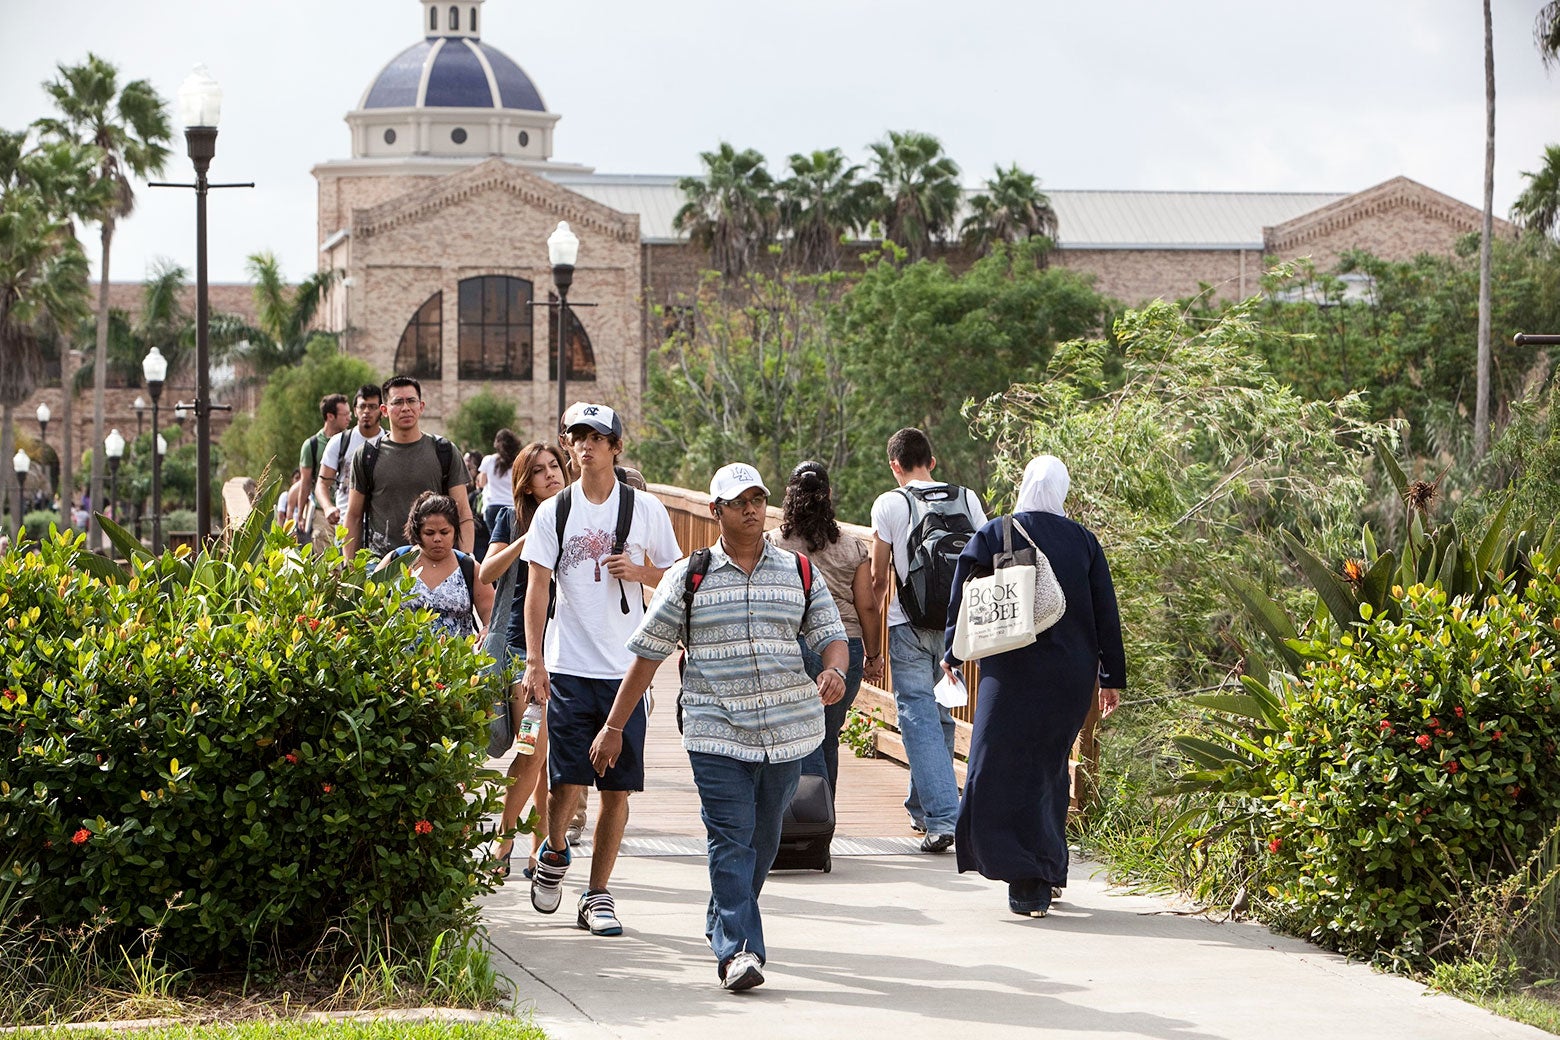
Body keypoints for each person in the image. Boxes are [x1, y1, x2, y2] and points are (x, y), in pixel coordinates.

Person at [590, 462, 848, 992]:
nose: (752, 509)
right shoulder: (689, 575)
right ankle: (739, 952)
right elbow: (647, 655)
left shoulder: (799, 570)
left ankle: (722, 919)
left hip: (787, 730)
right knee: (731, 836)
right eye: (739, 501)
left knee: (763, 837)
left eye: (758, 498)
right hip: (716, 728)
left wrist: (835, 669)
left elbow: (831, 634)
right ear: (717, 511)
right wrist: (615, 725)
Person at [519, 401, 680, 936]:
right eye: (576, 436)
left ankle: (598, 894)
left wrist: (639, 570)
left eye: (597, 436)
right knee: (565, 782)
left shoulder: (645, 510)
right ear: (568, 444)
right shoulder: (554, 513)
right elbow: (537, 588)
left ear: (615, 446)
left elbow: (676, 575)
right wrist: (535, 661)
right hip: (568, 664)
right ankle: (556, 848)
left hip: (625, 668)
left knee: (617, 789)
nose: (586, 444)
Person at [941, 455, 1125, 918]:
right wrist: (1111, 677)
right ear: (1062, 490)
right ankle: (1047, 866)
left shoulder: (995, 532)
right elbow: (1107, 613)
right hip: (1070, 676)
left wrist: (951, 654)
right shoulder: (1083, 541)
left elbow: (963, 598)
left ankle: (1028, 877)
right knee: (1048, 769)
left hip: (1009, 672)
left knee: (992, 765)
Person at [870, 428, 987, 852]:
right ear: (932, 462)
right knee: (938, 717)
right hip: (958, 627)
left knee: (917, 715)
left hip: (909, 624)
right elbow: (986, 554)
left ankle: (943, 818)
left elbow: (878, 576)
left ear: (895, 466)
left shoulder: (890, 503)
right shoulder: (967, 497)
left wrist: (873, 638)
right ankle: (922, 808)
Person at [767, 460, 883, 798]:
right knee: (827, 735)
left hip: (793, 647)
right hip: (845, 647)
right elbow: (867, 605)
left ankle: (796, 819)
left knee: (797, 733)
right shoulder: (852, 547)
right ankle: (821, 819)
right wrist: (874, 655)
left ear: (788, 496)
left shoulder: (773, 544)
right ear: (829, 495)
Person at [480, 441, 569, 879]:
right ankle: (506, 836)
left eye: (555, 466)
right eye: (539, 470)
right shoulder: (510, 517)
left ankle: (542, 847)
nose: (551, 474)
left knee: (548, 755)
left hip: (570, 653)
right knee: (533, 749)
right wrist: (526, 540)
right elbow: (486, 572)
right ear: (525, 483)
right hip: (524, 654)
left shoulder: (580, 516)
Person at [345, 375, 474, 558]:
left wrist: (467, 557)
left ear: (421, 407)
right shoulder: (366, 455)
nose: (405, 408)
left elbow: (462, 511)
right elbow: (354, 515)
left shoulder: (444, 451)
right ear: (384, 410)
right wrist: (350, 568)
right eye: (398, 402)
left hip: (434, 561)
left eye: (411, 401)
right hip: (381, 562)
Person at [377, 491, 494, 640]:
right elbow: (371, 604)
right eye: (429, 533)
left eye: (444, 532)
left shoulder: (469, 567)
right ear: (417, 532)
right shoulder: (397, 561)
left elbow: (491, 613)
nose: (437, 539)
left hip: (455, 660)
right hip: (401, 660)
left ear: (455, 531)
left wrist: (486, 631)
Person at [314, 383, 384, 542]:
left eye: (372, 407)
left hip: (380, 530)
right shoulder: (339, 442)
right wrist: (328, 507)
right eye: (362, 406)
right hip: (345, 526)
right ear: (355, 410)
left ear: (382, 410)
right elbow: (322, 484)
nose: (366, 411)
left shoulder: (389, 442)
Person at [296, 394, 351, 552]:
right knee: (326, 564)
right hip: (322, 512)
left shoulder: (352, 440)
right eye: (345, 414)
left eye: (350, 413)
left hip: (348, 512)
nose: (349, 418)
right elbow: (306, 482)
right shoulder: (311, 445)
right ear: (330, 416)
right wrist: (300, 513)